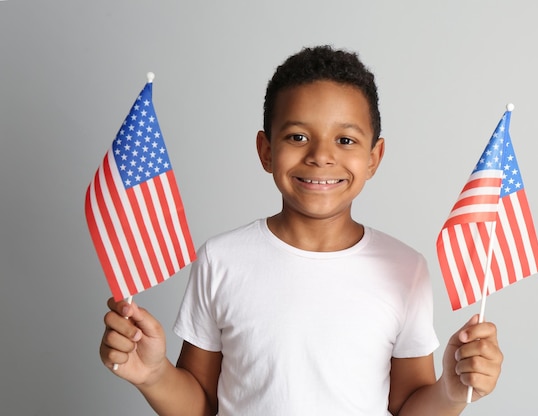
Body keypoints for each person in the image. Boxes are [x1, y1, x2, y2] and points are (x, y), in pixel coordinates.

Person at [100, 45, 503, 416]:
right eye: (297, 137)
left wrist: (451, 391)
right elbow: (201, 403)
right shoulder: (221, 260)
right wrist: (152, 375)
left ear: (374, 157)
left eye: (345, 139)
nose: (321, 156)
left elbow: (408, 406)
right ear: (266, 150)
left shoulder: (406, 269)